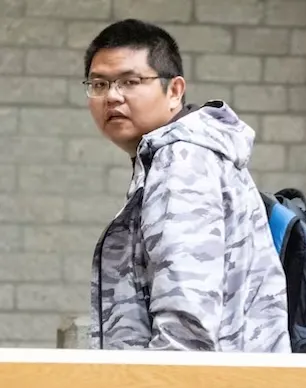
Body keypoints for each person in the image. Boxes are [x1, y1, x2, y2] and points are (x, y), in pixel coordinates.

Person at [84, 19, 291, 352]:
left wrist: (158, 379)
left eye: (130, 82)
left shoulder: (182, 161)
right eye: (99, 84)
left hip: (200, 378)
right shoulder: (172, 157)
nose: (112, 96)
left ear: (175, 91)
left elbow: (186, 328)